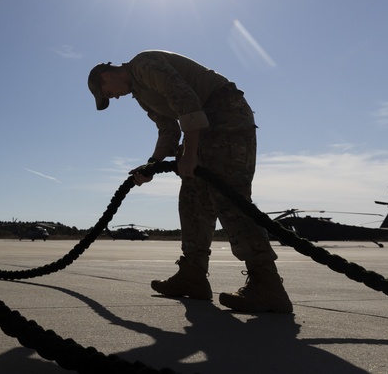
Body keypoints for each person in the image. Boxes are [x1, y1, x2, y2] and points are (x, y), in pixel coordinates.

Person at [87, 52, 293, 313]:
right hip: (205, 126)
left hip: (225, 115)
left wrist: (191, 153)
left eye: (107, 93)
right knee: (192, 199)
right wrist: (152, 164)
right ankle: (192, 276)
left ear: (106, 75)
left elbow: (185, 99)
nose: (113, 97)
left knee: (230, 199)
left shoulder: (144, 65)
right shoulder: (140, 93)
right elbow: (168, 129)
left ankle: (267, 285)